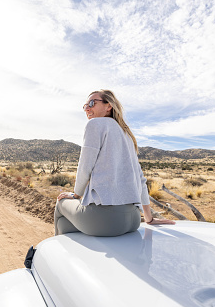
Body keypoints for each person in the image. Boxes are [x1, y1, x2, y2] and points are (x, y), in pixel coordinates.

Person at [55, 89, 175, 236]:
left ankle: (57, 255)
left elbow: (85, 166)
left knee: (60, 204)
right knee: (64, 223)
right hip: (133, 220)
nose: (87, 108)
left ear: (108, 106)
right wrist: (148, 218)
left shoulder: (95, 124)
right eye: (85, 105)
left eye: (92, 103)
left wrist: (76, 195)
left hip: (106, 219)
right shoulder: (127, 135)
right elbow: (141, 179)